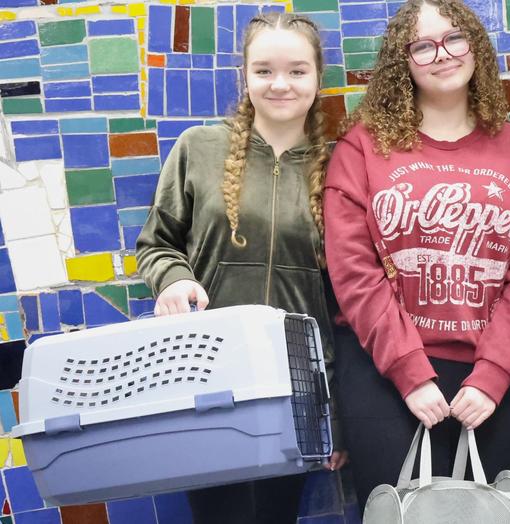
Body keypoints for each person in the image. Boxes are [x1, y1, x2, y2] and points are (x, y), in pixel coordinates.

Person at [322, 0, 510, 508]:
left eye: (455, 38)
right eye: (423, 45)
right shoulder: (362, 149)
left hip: (497, 380)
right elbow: (354, 271)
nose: (442, 54)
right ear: (402, 62)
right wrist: (408, 371)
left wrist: (493, 376)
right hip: (383, 377)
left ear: (475, 46)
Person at [135, 12, 345, 524]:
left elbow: (348, 299)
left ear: (318, 78)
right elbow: (155, 244)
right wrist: (174, 278)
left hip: (297, 389)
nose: (280, 84)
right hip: (206, 377)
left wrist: (334, 407)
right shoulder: (197, 149)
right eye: (264, 70)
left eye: (297, 71)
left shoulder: (341, 166)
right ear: (244, 77)